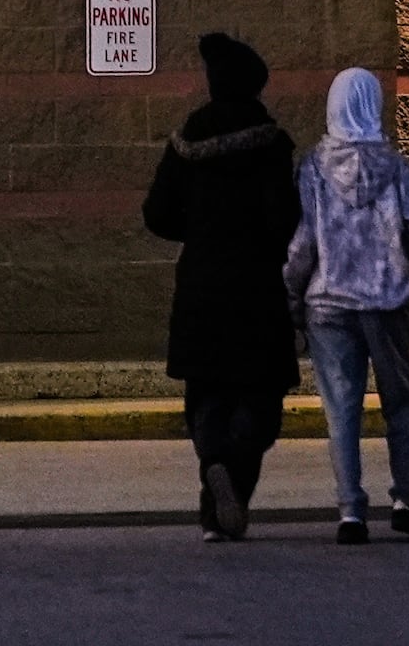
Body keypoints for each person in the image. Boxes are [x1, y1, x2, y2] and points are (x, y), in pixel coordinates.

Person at [143, 32, 299, 542]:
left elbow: (157, 214)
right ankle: (229, 479)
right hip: (257, 289)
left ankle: (215, 491)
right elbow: (285, 220)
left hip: (201, 285)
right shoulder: (270, 142)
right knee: (259, 400)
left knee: (207, 396)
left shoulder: (187, 139)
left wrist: (203, 230)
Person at [284, 67, 409, 545]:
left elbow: (301, 245)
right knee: (401, 402)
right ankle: (406, 499)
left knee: (341, 408)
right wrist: (397, 262)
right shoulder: (397, 168)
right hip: (388, 301)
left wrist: (292, 293)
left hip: (328, 304)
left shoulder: (310, 169)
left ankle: (350, 511)